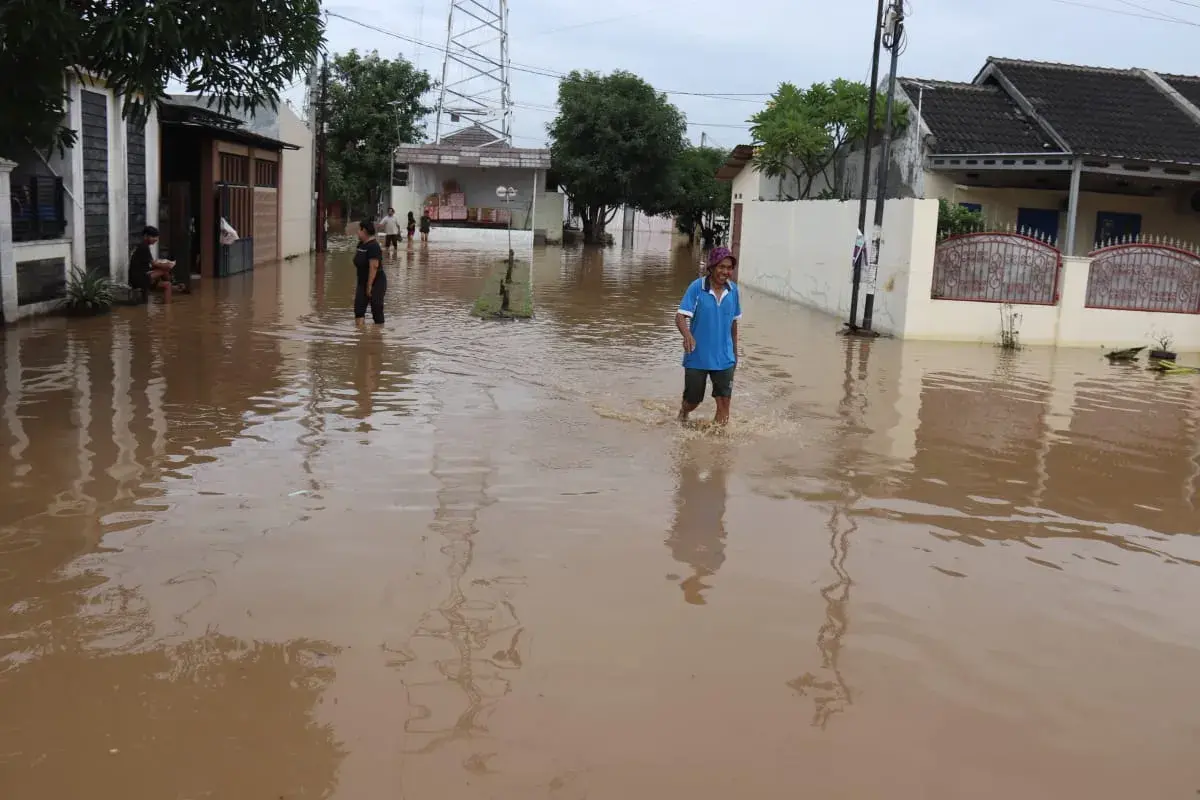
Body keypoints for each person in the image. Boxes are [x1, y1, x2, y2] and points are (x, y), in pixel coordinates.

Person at [675, 246, 741, 426]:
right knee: (693, 401)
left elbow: (734, 322)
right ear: (712, 267)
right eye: (721, 267)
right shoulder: (697, 288)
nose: (725, 272)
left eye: (729, 268)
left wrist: (735, 353)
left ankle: (716, 446)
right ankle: (683, 411)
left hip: (724, 357)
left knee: (724, 405)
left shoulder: (734, 291)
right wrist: (687, 334)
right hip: (698, 356)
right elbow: (680, 316)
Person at [128, 226, 175, 302]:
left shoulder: (142, 245)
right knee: (165, 273)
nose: (156, 239)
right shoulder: (144, 247)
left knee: (166, 279)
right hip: (140, 278)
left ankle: (170, 286)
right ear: (146, 236)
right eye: (153, 237)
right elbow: (154, 264)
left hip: (137, 277)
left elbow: (150, 263)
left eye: (156, 237)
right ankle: (168, 307)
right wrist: (169, 265)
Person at [354, 220, 387, 325]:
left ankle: (378, 336)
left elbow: (374, 267)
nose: (357, 233)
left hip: (376, 281)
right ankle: (360, 336)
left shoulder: (374, 246)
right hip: (362, 281)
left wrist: (369, 286)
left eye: (358, 230)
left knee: (376, 308)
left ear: (364, 230)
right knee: (358, 309)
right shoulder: (361, 245)